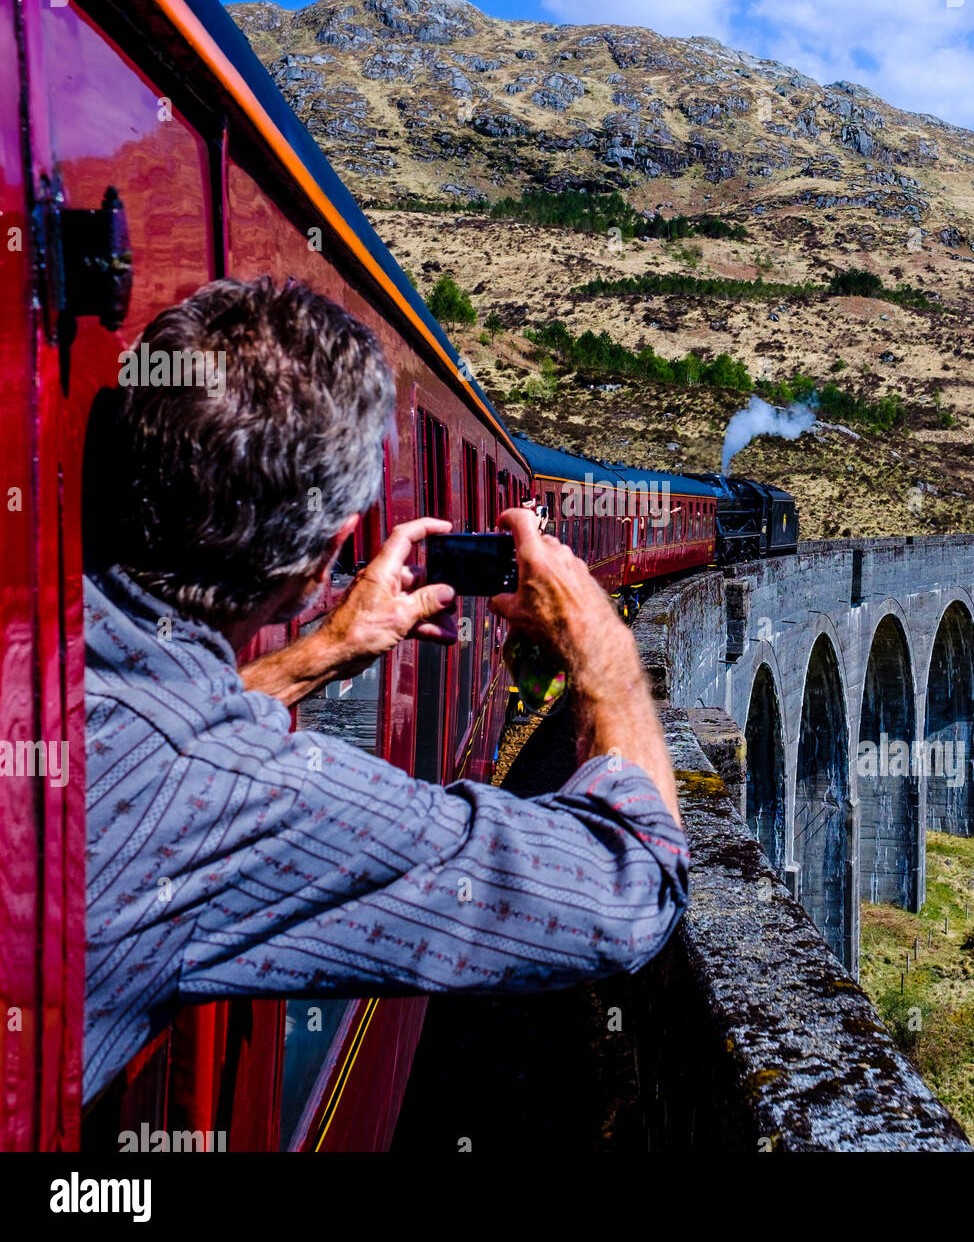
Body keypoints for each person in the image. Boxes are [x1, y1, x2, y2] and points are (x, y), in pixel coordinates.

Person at [82, 276, 687, 1106]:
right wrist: (602, 647)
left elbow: (156, 742)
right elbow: (631, 888)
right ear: (331, 550)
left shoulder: (63, 690)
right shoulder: (234, 798)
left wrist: (318, 656)